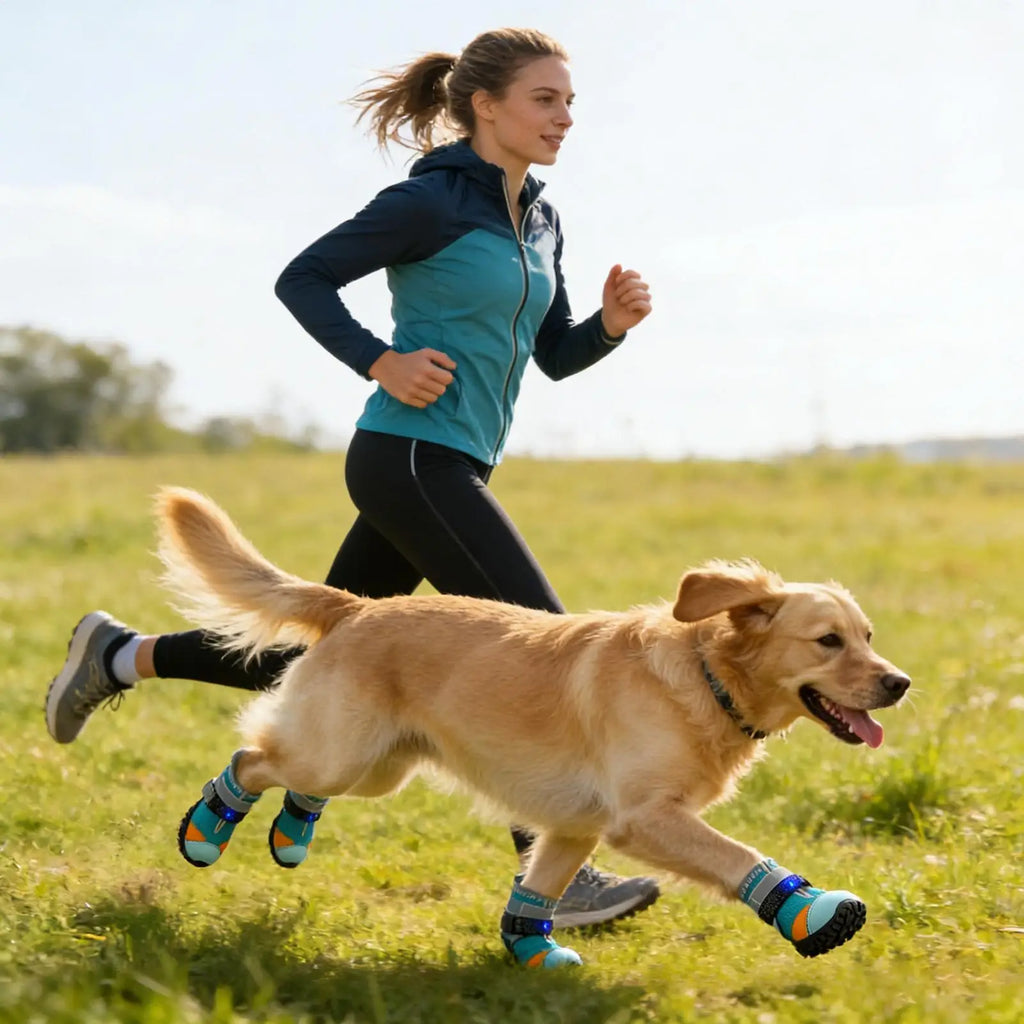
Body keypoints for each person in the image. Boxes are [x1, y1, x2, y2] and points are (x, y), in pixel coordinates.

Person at [46, 27, 656, 967]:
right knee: (544, 648)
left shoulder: (539, 217)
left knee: (323, 647)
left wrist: (607, 329)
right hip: (410, 458)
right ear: (485, 104)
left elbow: (553, 355)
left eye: (570, 103)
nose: (565, 119)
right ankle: (556, 884)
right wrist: (380, 358)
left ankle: (121, 655)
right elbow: (304, 278)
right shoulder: (428, 201)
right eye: (546, 99)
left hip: (455, 463)